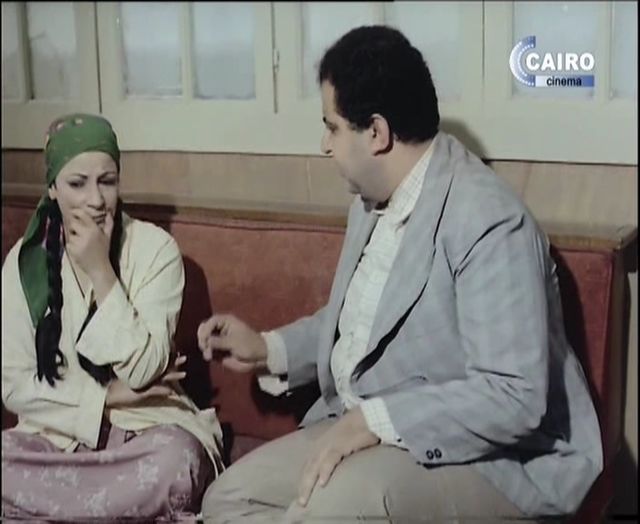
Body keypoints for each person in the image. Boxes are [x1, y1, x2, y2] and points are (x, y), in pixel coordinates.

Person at [197, 26, 603, 523]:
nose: (324, 145)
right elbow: (368, 322)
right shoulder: (370, 201)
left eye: (332, 127)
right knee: (227, 501)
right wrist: (268, 349)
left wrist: (372, 421)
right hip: (370, 429)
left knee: (325, 512)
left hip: (495, 460)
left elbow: (513, 396)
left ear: (376, 132)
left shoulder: (489, 219)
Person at [1, 113, 224, 521]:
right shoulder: (22, 262)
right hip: (55, 440)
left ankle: (57, 511)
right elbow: (14, 386)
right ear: (52, 188)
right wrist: (107, 398)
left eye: (107, 181)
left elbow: (142, 371)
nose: (96, 200)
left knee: (178, 464)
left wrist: (101, 271)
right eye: (77, 184)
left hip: (145, 428)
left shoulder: (156, 249)